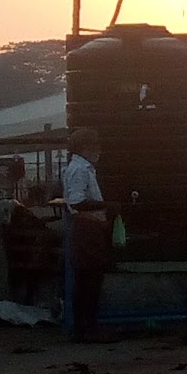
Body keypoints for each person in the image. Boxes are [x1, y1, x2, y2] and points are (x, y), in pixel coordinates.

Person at [62, 128, 117, 343]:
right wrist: (105, 206)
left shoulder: (81, 168)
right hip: (86, 229)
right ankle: (87, 328)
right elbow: (77, 202)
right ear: (85, 148)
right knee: (89, 280)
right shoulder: (80, 170)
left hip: (87, 228)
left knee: (87, 280)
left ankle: (83, 327)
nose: (99, 150)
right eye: (95, 146)